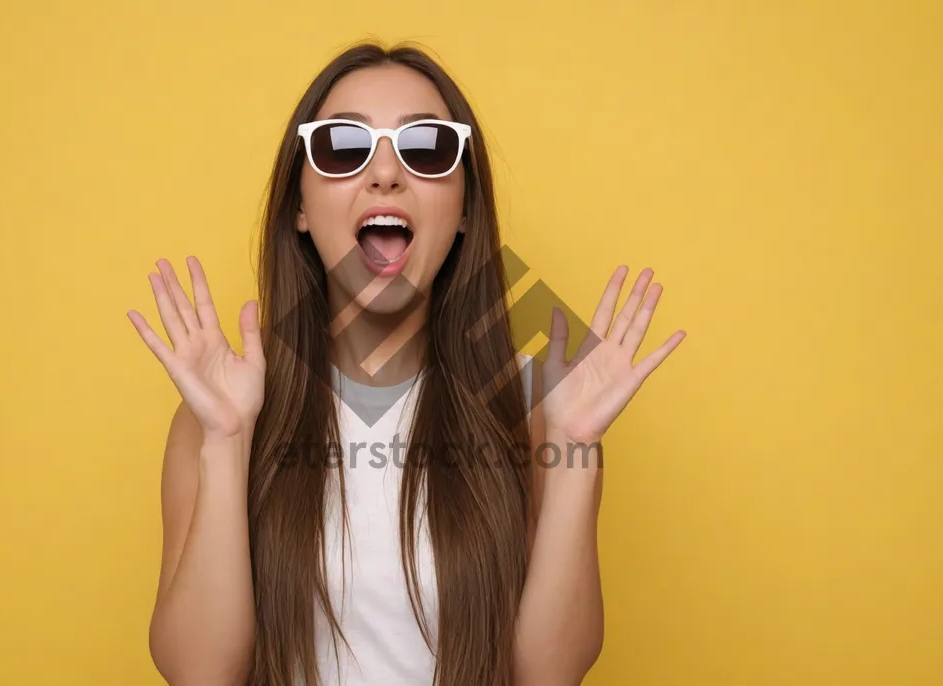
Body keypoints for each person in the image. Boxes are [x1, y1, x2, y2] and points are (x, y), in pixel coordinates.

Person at [126, 41, 686, 686]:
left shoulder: (541, 409)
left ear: (467, 211)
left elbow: (547, 675)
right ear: (301, 207)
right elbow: (197, 673)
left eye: (426, 148)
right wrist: (227, 441)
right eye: (343, 147)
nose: (386, 174)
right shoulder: (220, 411)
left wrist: (577, 449)